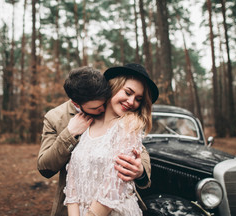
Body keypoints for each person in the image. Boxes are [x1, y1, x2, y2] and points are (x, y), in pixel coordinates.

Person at [37, 66, 153, 216]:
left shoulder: (123, 117)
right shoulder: (56, 118)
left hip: (112, 206)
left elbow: (137, 151)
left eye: (138, 98)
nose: (102, 109)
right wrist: (69, 134)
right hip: (73, 206)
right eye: (128, 93)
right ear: (77, 104)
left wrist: (141, 171)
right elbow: (45, 167)